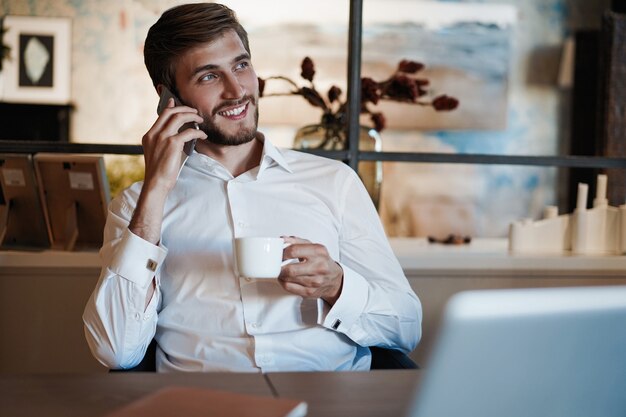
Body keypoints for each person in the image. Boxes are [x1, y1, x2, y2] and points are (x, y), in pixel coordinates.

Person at [83, 2, 422, 372]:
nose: (236, 90)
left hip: (327, 399)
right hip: (200, 402)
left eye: (241, 65)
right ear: (169, 99)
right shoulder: (136, 204)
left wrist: (338, 286)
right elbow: (115, 350)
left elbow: (406, 328)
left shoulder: (334, 182)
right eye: (208, 77)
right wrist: (156, 189)